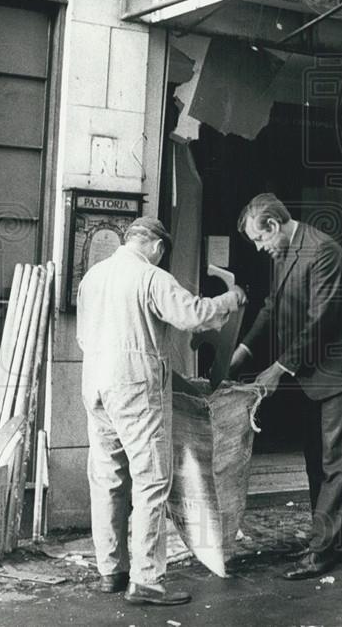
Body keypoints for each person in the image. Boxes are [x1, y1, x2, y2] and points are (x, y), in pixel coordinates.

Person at [77, 217, 246, 606]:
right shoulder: (150, 277)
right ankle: (147, 580)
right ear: (156, 246)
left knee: (107, 477)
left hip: (96, 384)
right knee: (151, 480)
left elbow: (83, 336)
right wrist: (231, 298)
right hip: (135, 386)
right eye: (162, 253)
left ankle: (111, 570)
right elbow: (194, 315)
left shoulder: (93, 277)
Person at [230, 193, 342, 580]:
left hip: (340, 369)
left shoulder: (323, 251)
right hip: (313, 373)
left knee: (334, 464)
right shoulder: (286, 251)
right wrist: (242, 350)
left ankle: (323, 554)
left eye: (260, 240)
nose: (260, 249)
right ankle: (329, 543)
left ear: (273, 225)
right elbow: (272, 306)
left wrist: (277, 369)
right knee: (317, 461)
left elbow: (319, 322)